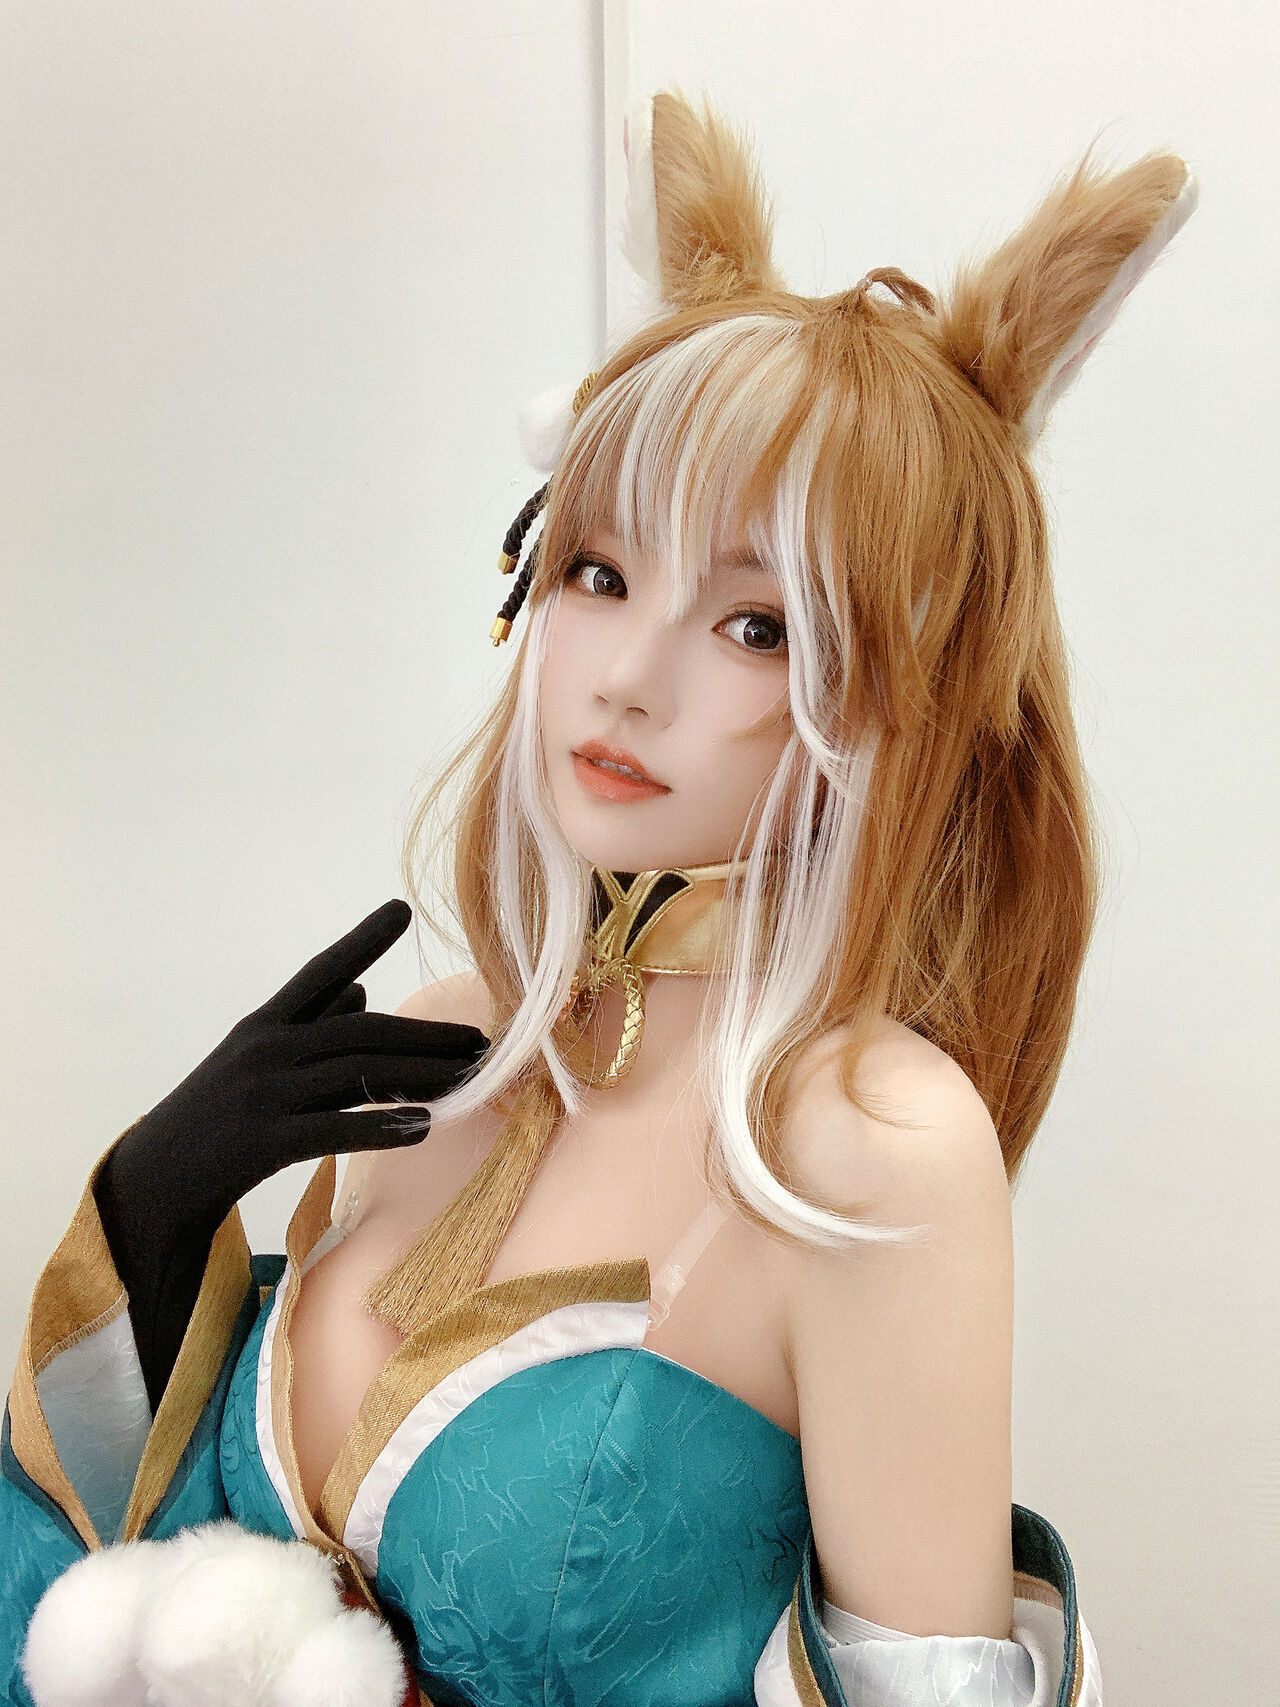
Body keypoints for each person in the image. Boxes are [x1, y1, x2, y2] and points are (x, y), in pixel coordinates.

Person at [3, 89, 1197, 1707]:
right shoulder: (438, 1049)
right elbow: (118, 1587)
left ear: (902, 695)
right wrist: (154, 1217)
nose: (630, 677)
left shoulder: (872, 1146)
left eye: (760, 627)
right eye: (599, 572)